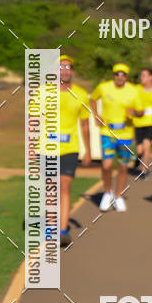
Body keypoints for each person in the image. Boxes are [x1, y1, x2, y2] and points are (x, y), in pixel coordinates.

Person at [32, 54, 91, 247]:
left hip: (69, 148)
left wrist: (88, 150)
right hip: (45, 147)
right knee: (51, 188)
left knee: (64, 186)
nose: (64, 71)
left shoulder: (81, 94)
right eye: (61, 67)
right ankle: (51, 227)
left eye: (68, 67)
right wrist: (31, 147)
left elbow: (84, 125)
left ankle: (62, 231)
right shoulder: (42, 92)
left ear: (72, 72)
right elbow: (33, 121)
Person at [90, 63, 138, 212]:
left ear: (127, 76)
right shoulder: (104, 87)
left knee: (123, 166)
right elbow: (92, 99)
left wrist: (134, 113)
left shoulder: (134, 91)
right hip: (107, 132)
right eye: (117, 74)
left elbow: (141, 110)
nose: (120, 77)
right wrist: (96, 115)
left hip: (126, 134)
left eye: (123, 74)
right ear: (113, 75)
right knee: (107, 165)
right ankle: (107, 193)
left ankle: (118, 196)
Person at [133, 68, 152, 177]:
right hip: (139, 122)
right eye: (141, 75)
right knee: (139, 150)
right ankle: (138, 158)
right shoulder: (136, 89)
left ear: (150, 77)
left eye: (144, 75)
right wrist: (134, 111)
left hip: (151, 123)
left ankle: (144, 171)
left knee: (146, 146)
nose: (141, 77)